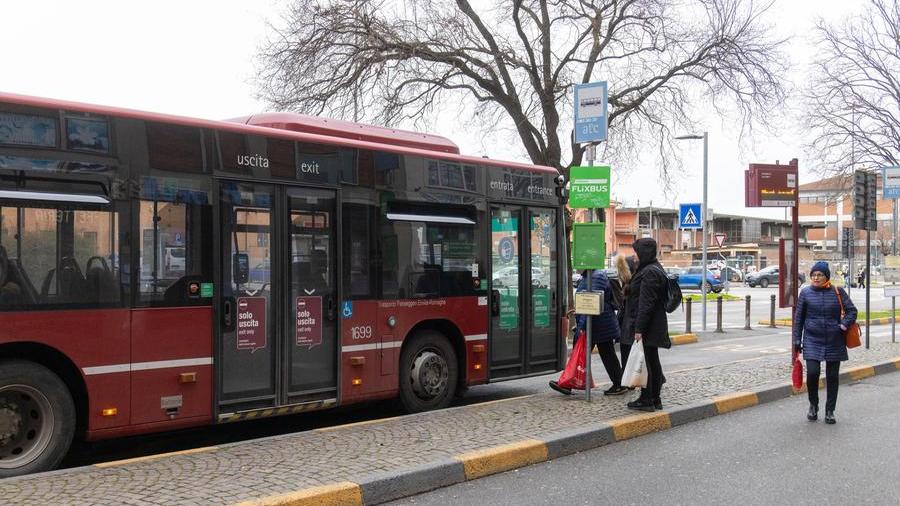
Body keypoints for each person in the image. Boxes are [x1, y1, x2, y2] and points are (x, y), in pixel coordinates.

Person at [793, 261, 857, 424]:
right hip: (812, 339)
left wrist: (842, 326)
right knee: (813, 374)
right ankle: (813, 405)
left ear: (826, 277)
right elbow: (798, 319)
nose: (816, 277)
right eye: (813, 275)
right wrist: (796, 340)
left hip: (835, 340)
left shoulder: (838, 291)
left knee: (832, 377)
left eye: (820, 275)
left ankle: (830, 411)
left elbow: (852, 311)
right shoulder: (805, 293)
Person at [550, 268, 626, 396]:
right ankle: (619, 384)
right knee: (604, 354)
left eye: (579, 263)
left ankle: (568, 383)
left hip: (597, 325)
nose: (576, 266)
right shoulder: (589, 276)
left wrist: (581, 327)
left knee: (580, 355)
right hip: (600, 325)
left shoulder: (595, 277)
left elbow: (590, 304)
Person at [623, 238, 671, 411]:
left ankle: (647, 399)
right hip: (654, 323)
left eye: (636, 252)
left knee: (647, 363)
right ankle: (655, 398)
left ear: (643, 253)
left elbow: (646, 303)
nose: (633, 255)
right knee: (652, 360)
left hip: (649, 325)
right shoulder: (652, 268)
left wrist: (639, 329)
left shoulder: (649, 272)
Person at [611, 255, 636, 376]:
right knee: (627, 351)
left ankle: (628, 379)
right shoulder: (627, 285)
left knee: (627, 351)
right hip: (626, 324)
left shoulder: (631, 286)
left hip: (629, 324)